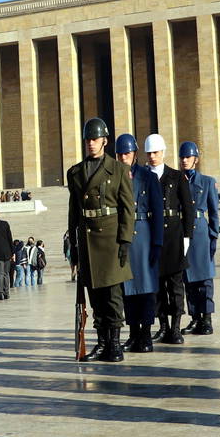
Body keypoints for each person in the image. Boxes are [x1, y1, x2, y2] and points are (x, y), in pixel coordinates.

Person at [68, 117, 136, 361]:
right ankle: (102, 342)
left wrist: (125, 240)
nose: (90, 144)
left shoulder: (118, 170)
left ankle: (115, 344)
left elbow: (128, 208)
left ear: (105, 141)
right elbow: (74, 211)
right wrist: (73, 248)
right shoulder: (75, 172)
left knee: (112, 297)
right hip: (87, 241)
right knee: (95, 297)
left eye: (95, 139)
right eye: (87, 139)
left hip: (110, 240)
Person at [144, 132, 195, 344]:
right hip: (153, 238)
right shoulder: (144, 177)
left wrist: (187, 236)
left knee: (175, 286)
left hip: (174, 236)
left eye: (155, 152)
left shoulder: (176, 176)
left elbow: (188, 209)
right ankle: (163, 326)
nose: (152, 156)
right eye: (149, 153)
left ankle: (175, 328)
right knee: (156, 287)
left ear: (163, 152)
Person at [115, 133, 163, 354]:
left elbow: (158, 212)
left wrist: (157, 243)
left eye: (127, 153)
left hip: (143, 234)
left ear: (134, 153)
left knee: (145, 289)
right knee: (128, 289)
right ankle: (133, 333)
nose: (124, 157)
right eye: (120, 153)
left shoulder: (147, 177)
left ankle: (145, 334)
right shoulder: (113, 177)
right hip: (123, 237)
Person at [180, 141, 220, 336]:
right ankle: (195, 317)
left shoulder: (207, 182)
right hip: (184, 233)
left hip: (201, 232)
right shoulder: (178, 180)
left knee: (204, 278)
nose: (184, 160)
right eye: (182, 157)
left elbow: (214, 212)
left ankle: (207, 318)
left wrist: (213, 235)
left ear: (195, 159)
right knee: (188, 279)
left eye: (188, 157)